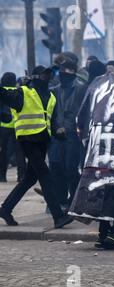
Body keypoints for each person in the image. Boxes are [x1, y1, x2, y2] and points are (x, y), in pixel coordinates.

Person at [0, 66, 74, 229]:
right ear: (36, 76)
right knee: (45, 175)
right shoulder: (23, 92)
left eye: (50, 73)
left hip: (42, 142)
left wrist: (58, 133)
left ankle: (5, 209)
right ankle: (58, 216)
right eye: (45, 74)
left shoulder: (51, 96)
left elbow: (51, 120)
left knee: (29, 179)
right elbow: (3, 94)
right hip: (27, 140)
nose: (49, 76)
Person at [48, 59, 86, 210]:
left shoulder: (81, 89)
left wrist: (71, 128)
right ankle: (61, 199)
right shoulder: (54, 90)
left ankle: (75, 200)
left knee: (70, 168)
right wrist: (56, 127)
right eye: (62, 71)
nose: (64, 74)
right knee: (56, 166)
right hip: (57, 135)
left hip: (72, 134)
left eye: (68, 71)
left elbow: (81, 112)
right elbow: (52, 112)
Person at [0, 72, 26, 183]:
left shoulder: (2, 92)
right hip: (17, 126)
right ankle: (21, 176)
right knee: (20, 152)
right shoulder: (18, 92)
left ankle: (2, 176)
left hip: (3, 127)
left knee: (3, 153)